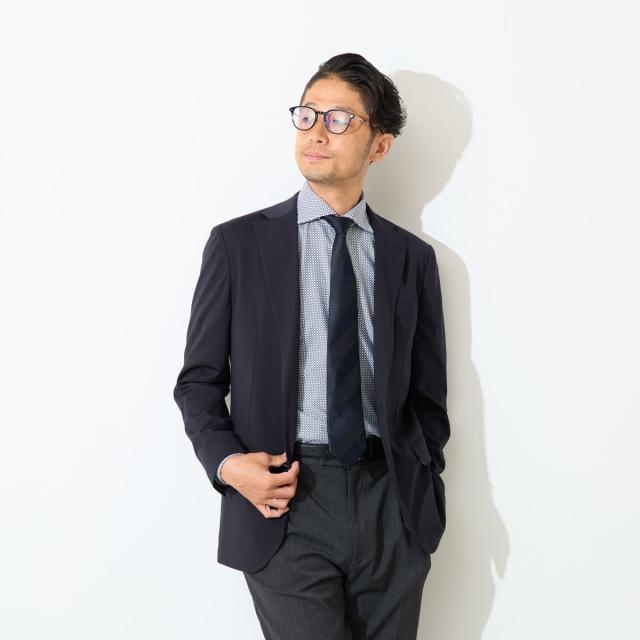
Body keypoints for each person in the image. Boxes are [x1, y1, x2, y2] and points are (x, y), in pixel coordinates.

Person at [173, 52, 450, 640]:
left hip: (390, 503)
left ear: (380, 145)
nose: (317, 132)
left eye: (339, 119)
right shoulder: (238, 245)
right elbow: (198, 382)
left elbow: (428, 399)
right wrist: (227, 465)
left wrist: (421, 491)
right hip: (285, 500)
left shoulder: (411, 259)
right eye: (307, 115)